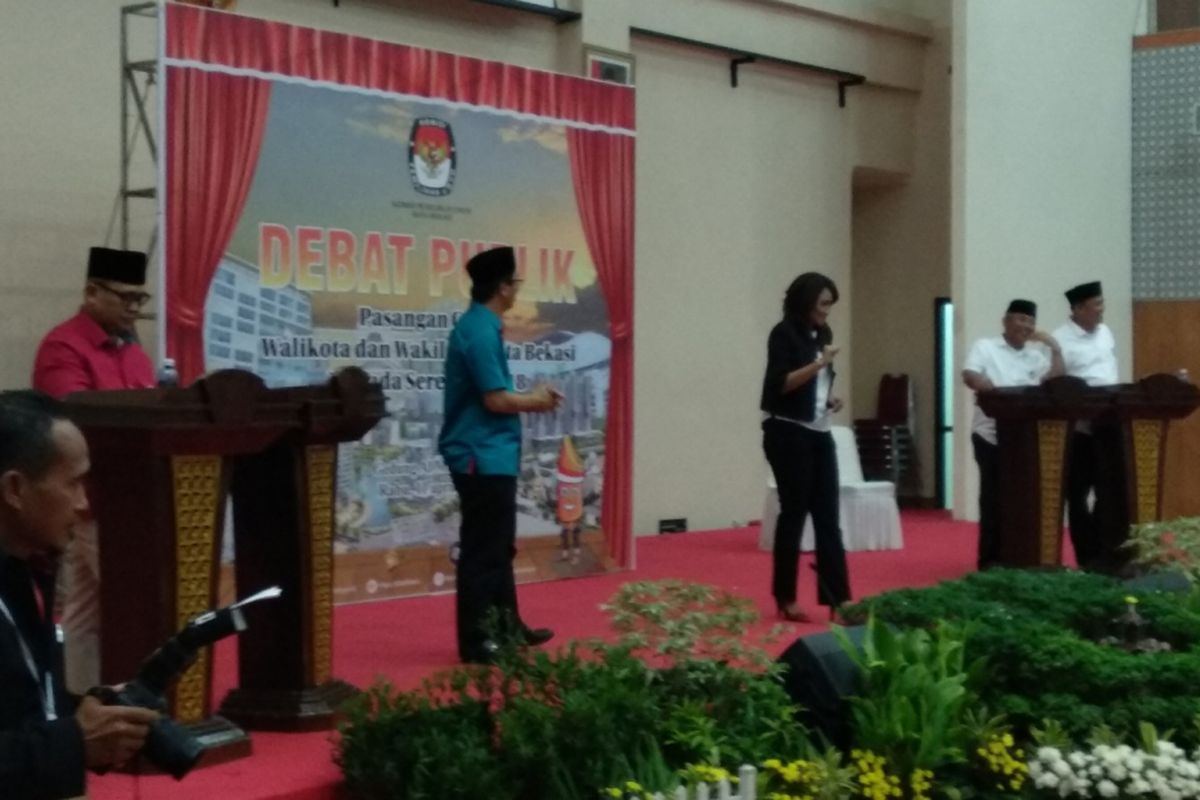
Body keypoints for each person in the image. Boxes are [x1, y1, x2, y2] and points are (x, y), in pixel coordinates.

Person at [0, 390, 159, 799]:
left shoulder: (29, 565)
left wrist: (97, 718)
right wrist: (74, 742)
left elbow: (21, 705)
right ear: (15, 489)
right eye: (73, 483)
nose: (84, 502)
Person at [31, 246, 155, 694]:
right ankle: (143, 706)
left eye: (140, 300)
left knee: (85, 611)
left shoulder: (134, 353)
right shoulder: (62, 348)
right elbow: (76, 427)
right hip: (91, 502)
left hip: (130, 502)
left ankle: (82, 702)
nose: (134, 309)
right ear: (90, 292)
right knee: (140, 604)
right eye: (126, 298)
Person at [438, 246, 562, 664]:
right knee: (482, 550)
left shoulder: (482, 326)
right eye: (515, 284)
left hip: (492, 454)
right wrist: (538, 401)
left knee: (499, 546)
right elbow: (494, 400)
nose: (516, 292)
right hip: (479, 455)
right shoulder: (478, 331)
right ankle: (476, 642)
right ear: (503, 288)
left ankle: (507, 626)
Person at [759, 272, 851, 623]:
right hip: (787, 433)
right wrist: (820, 364)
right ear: (807, 301)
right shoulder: (783, 334)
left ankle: (838, 601)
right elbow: (781, 383)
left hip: (818, 432)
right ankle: (785, 596)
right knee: (794, 512)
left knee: (828, 516)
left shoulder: (822, 335)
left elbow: (813, 386)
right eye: (824, 304)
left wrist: (828, 400)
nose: (828, 312)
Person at [962, 299, 1064, 570]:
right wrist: (983, 385)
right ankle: (989, 560)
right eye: (1020, 319)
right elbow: (970, 373)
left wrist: (1054, 347)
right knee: (993, 497)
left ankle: (1017, 556)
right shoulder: (986, 347)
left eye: (1030, 321)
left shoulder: (1035, 355)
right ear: (1006, 321)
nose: (1025, 326)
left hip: (1025, 440)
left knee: (1021, 498)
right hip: (990, 435)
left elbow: (1056, 382)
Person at [1051, 281, 1120, 569]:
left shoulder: (1105, 333)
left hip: (1111, 423)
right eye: (1097, 304)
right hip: (1077, 430)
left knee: (1111, 491)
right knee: (1076, 495)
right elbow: (1056, 384)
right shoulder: (1060, 339)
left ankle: (1107, 552)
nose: (1102, 310)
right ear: (1078, 309)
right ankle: (1086, 556)